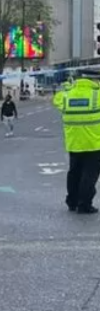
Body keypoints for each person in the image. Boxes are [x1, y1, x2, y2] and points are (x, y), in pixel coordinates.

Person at [55, 69, 100, 214]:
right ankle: (84, 204)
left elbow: (56, 99)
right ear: (94, 80)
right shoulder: (97, 95)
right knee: (89, 175)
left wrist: (69, 87)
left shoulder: (67, 96)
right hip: (94, 143)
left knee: (74, 173)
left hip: (73, 142)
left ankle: (72, 201)